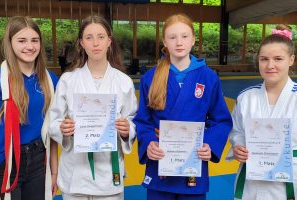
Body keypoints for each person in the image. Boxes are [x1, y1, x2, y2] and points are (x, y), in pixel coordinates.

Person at [133, 14, 232, 200]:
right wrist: (149, 143)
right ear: (164, 41)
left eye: (185, 36)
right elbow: (142, 120)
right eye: (172, 37)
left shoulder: (209, 78)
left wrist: (209, 144)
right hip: (160, 164)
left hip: (193, 165)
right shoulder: (150, 77)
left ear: (193, 39)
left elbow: (221, 120)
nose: (179, 42)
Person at [48, 15, 137, 200]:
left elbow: (132, 120)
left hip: (108, 176)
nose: (95, 43)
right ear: (81, 43)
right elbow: (53, 122)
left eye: (101, 37)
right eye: (89, 37)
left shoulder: (124, 82)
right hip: (75, 174)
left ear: (109, 41)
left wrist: (127, 130)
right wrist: (63, 128)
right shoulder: (68, 80)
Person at [227, 24, 296, 199]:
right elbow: (237, 131)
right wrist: (238, 146)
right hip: (252, 181)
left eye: (278, 59)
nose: (270, 65)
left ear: (291, 60)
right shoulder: (246, 97)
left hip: (290, 181)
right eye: (264, 59)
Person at [0, 16, 59, 200]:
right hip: (4, 163)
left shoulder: (50, 79)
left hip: (39, 161)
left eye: (34, 40)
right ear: (10, 43)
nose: (29, 46)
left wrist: (53, 170)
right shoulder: (0, 79)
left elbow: (52, 130)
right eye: (21, 41)